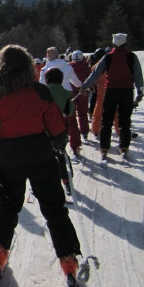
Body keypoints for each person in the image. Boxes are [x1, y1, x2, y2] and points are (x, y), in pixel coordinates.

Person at [0, 44, 81, 278]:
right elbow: (56, 125)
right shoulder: (40, 92)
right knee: (54, 209)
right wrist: (59, 143)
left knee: (8, 207)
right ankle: (67, 258)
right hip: (40, 154)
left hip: (9, 157)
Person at [80, 33, 144, 165]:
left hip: (111, 91)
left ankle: (104, 149)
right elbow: (138, 75)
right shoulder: (132, 57)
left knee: (107, 121)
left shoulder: (108, 57)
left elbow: (96, 73)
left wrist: (85, 86)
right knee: (125, 121)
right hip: (127, 91)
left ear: (113, 43)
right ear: (125, 43)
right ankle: (124, 148)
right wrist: (140, 91)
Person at [40, 47, 82, 159]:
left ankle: (53, 147)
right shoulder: (67, 66)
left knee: (50, 122)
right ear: (58, 55)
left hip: (50, 97)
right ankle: (76, 147)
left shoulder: (45, 69)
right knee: (72, 122)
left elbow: (41, 86)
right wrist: (81, 87)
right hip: (67, 94)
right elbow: (75, 80)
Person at [44, 68, 75, 196]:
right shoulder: (66, 93)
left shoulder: (42, 92)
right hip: (60, 130)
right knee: (60, 155)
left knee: (44, 156)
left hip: (43, 131)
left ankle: (46, 181)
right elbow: (70, 111)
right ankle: (67, 181)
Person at [69, 51, 92, 144]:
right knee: (83, 113)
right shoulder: (86, 67)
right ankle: (84, 132)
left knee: (72, 114)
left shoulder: (69, 67)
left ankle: (73, 134)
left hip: (71, 92)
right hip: (83, 92)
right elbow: (91, 78)